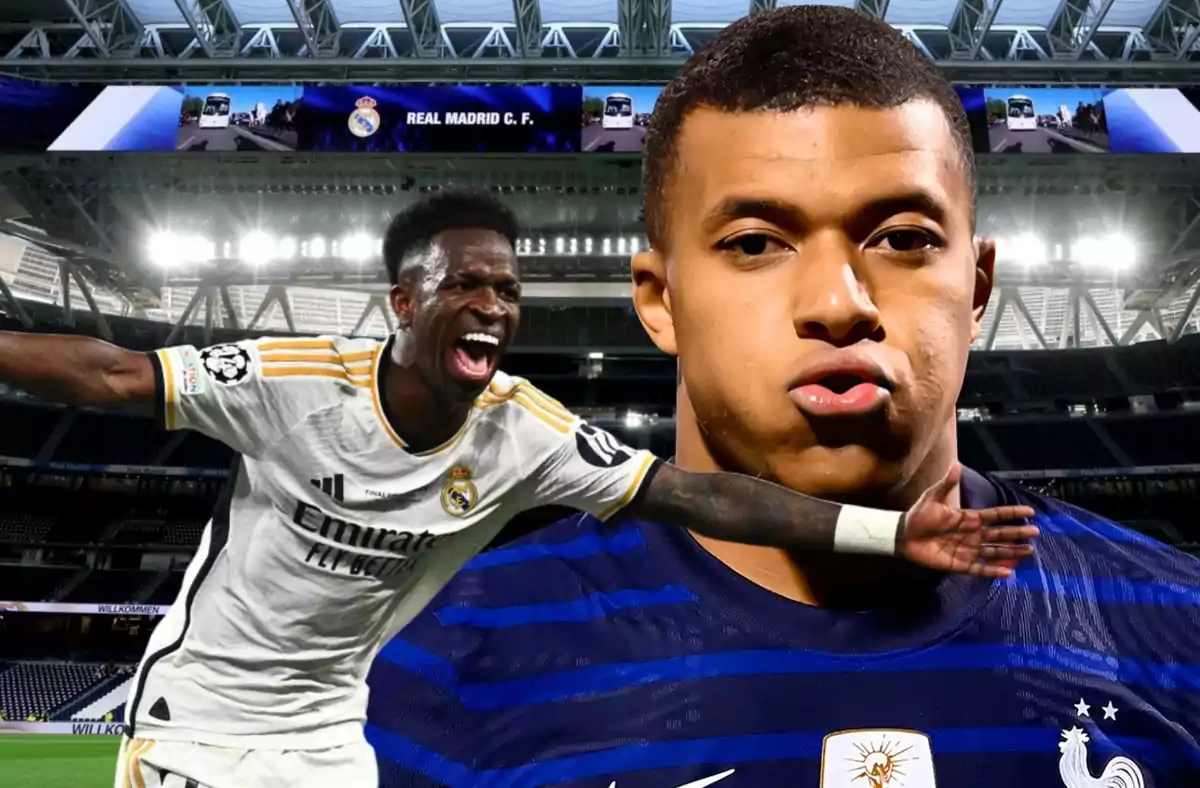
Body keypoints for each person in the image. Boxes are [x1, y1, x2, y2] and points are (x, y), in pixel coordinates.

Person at [365, 7, 1200, 788]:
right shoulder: (437, 662)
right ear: (659, 301)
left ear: (976, 287)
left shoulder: (1180, 627)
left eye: (903, 239)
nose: (839, 303)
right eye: (756, 242)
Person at [0, 192, 1033, 788]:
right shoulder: (290, 383)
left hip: (325, 738)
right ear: (403, 303)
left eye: (507, 289)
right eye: (465, 285)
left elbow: (701, 496)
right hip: (200, 720)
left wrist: (888, 531)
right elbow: (109, 373)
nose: (493, 306)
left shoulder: (520, 432)